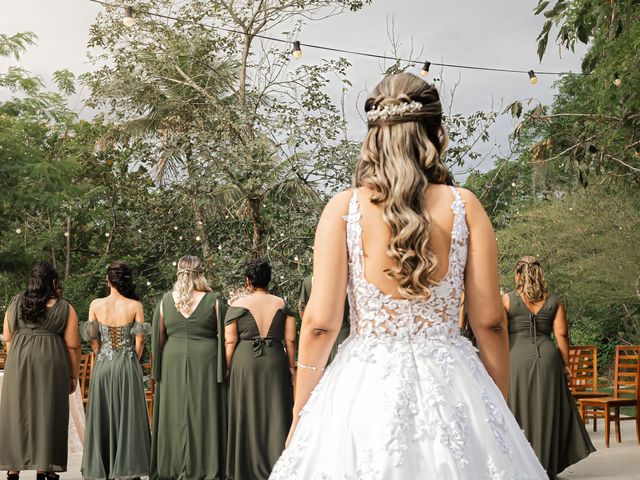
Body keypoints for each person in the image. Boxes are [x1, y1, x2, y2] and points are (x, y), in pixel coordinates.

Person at [270, 72, 547, 479]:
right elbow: (489, 320)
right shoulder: (465, 206)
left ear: (372, 136)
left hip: (363, 385)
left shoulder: (342, 210)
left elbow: (318, 326)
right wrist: (496, 402)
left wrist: (301, 414)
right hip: (453, 381)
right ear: (436, 132)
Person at [503, 256, 595, 479]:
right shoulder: (554, 301)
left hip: (517, 360)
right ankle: (546, 466)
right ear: (540, 275)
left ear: (518, 275)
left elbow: (499, 333)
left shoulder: (506, 300)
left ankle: (520, 465)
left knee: (519, 409)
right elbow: (561, 335)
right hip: (549, 358)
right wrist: (566, 365)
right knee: (548, 410)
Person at [0, 262, 81, 479]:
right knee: (48, 410)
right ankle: (44, 467)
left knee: (17, 412)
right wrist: (73, 375)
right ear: (53, 283)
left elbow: (7, 337)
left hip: (18, 360)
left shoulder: (15, 302)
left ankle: (13, 468)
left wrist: (18, 354)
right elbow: (73, 345)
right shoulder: (65, 307)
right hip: (51, 362)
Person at [150, 255, 226, 480]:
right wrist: (225, 368)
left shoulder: (165, 301)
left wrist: (159, 369)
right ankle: (206, 464)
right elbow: (225, 337)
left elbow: (158, 338)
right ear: (201, 274)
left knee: (175, 413)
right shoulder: (214, 300)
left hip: (173, 360)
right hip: (206, 361)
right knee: (204, 412)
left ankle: (172, 465)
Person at [225, 259, 296, 480]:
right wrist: (292, 367)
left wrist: (227, 369)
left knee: (246, 412)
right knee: (276, 411)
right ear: (269, 280)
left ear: (248, 281)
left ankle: (246, 467)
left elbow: (229, 341)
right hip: (275, 361)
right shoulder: (283, 305)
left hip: (245, 363)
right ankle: (277, 465)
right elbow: (291, 340)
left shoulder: (237, 305)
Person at [80, 261, 151, 479]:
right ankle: (129, 468)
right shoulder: (135, 305)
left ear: (108, 280)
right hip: (127, 364)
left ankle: (106, 467)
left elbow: (93, 340)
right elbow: (139, 341)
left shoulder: (96, 304)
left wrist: (102, 354)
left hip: (103, 364)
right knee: (128, 416)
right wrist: (130, 358)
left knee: (105, 412)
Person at [298, 275, 350, 364]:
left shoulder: (308, 281)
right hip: (343, 333)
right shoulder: (348, 280)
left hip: (320, 335)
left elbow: (302, 309)